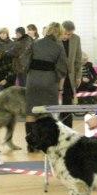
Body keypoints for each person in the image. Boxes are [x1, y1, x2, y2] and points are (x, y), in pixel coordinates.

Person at [24, 22, 68, 152]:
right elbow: (62, 69)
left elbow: (25, 62)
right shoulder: (59, 47)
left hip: (33, 80)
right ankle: (46, 143)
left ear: (47, 30)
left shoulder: (35, 43)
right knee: (49, 112)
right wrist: (60, 87)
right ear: (59, 33)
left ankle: (31, 145)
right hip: (49, 81)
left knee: (30, 112)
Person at [60, 20, 82, 128]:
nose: (68, 36)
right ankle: (56, 128)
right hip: (57, 76)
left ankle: (68, 128)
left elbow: (78, 59)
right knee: (56, 104)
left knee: (67, 103)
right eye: (66, 33)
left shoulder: (76, 39)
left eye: (70, 34)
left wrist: (78, 76)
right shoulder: (55, 38)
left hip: (69, 77)